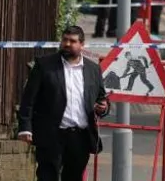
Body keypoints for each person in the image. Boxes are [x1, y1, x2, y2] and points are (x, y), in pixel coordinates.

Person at [17, 26, 110, 181]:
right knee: (47, 176)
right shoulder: (44, 65)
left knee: (73, 177)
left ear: (82, 44)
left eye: (72, 41)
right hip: (51, 134)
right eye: (65, 40)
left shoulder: (93, 69)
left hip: (79, 137)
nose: (67, 44)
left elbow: (102, 98)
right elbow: (28, 99)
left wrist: (103, 107)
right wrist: (25, 128)